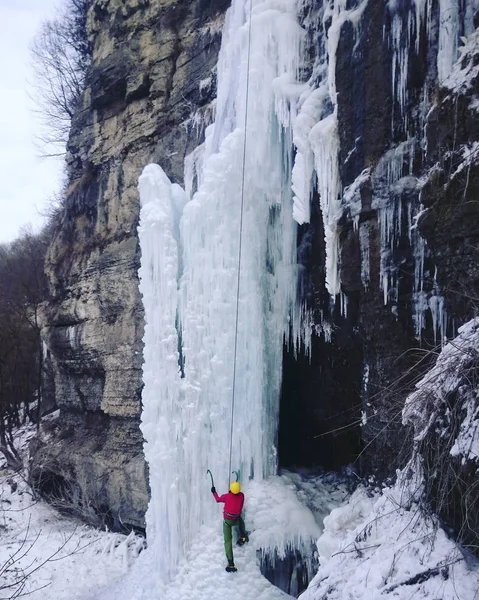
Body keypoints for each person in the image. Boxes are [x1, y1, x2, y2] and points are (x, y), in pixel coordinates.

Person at [211, 481, 249, 572]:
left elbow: (218, 499)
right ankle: (243, 536)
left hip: (227, 522)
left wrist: (214, 492)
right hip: (236, 519)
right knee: (241, 522)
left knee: (228, 541)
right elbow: (236, 499)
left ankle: (231, 564)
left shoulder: (227, 496)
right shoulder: (242, 496)